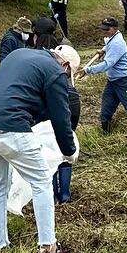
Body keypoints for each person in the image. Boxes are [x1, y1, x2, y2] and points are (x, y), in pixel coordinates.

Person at [0, 45, 77, 253]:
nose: (66, 79)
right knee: (42, 180)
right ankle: (48, 248)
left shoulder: (19, 54)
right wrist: (69, 151)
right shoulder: (55, 72)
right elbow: (61, 118)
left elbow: (20, 96)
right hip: (9, 126)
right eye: (69, 75)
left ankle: (0, 246)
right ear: (65, 65)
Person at [79, 16, 127, 134]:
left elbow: (107, 64)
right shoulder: (113, 37)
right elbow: (109, 44)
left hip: (123, 81)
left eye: (107, 30)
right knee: (105, 112)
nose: (104, 32)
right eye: (103, 29)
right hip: (112, 82)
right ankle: (106, 135)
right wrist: (104, 50)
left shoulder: (117, 43)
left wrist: (87, 70)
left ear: (114, 28)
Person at [50, 44, 82, 204]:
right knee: (64, 154)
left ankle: (56, 196)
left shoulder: (44, 71)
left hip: (49, 121)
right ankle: (64, 195)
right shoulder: (69, 89)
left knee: (51, 155)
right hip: (63, 117)